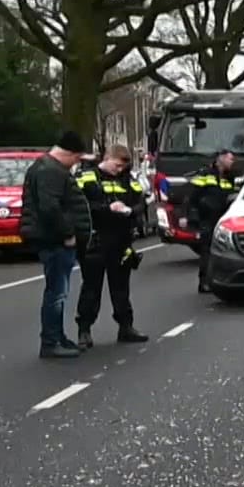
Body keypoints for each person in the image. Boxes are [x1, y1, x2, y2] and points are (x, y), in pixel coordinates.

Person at [19, 131, 91, 358]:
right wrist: (68, 233)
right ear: (69, 153)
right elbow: (50, 207)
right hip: (55, 240)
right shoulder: (50, 171)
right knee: (57, 293)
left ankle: (58, 337)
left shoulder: (47, 168)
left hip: (53, 238)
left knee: (59, 291)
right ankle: (50, 341)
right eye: (77, 158)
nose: (76, 164)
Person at [74, 145, 149, 347]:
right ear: (107, 158)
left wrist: (130, 211)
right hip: (96, 239)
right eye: (116, 165)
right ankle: (84, 330)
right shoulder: (87, 177)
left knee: (121, 288)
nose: (118, 170)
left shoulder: (127, 179)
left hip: (121, 240)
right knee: (91, 287)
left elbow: (141, 202)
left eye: (122, 166)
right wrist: (107, 208)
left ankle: (126, 327)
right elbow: (80, 206)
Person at [186, 149, 242, 293]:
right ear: (221, 159)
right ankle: (204, 282)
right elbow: (192, 196)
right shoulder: (205, 174)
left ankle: (219, 280)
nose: (232, 162)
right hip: (207, 218)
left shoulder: (229, 177)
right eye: (230, 159)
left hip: (223, 219)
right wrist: (191, 217)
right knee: (207, 251)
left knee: (222, 251)